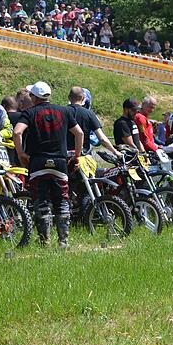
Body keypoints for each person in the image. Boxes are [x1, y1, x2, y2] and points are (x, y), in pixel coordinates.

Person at [13, 81, 83, 247]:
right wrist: (77, 156)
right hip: (60, 162)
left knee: (41, 201)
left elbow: (17, 132)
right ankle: (63, 240)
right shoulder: (64, 111)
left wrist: (21, 153)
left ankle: (45, 240)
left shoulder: (30, 113)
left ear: (34, 97)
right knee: (61, 201)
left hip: (38, 162)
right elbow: (79, 133)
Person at [67, 86, 117, 155]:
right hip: (83, 155)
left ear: (69, 97)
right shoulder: (89, 114)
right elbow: (100, 139)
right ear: (83, 99)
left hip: (64, 155)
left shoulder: (61, 112)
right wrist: (115, 152)